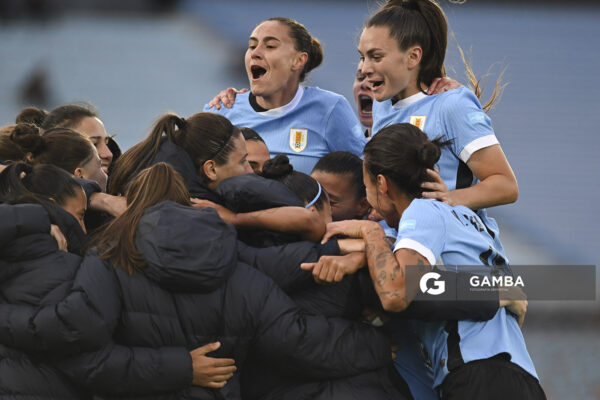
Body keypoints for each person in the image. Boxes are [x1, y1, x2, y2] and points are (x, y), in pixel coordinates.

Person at [312, 123, 543, 399]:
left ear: (382, 184)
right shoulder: (471, 218)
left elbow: (396, 292)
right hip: (522, 377)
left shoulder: (421, 212)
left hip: (477, 377)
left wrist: (370, 233)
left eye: (367, 187)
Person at [360, 0, 518, 254]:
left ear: (413, 56)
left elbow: (506, 185)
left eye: (376, 56)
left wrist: (449, 199)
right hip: (408, 247)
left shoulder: (451, 103)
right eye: (362, 56)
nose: (364, 68)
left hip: (461, 257)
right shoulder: (382, 107)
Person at [110, 111, 325, 242]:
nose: (252, 173)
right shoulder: (205, 219)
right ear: (211, 169)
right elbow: (309, 222)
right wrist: (236, 220)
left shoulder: (150, 189)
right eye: (244, 162)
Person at [205, 17, 367, 174]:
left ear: (298, 60)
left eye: (270, 46)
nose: (255, 53)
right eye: (252, 46)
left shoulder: (330, 108)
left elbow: (363, 174)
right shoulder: (222, 110)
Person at [16, 104, 119, 175]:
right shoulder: (31, 204)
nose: (109, 154)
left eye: (107, 143)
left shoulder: (123, 193)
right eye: (94, 144)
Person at [311, 151, 371, 221]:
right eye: (309, 198)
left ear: (363, 206)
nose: (311, 208)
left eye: (329, 202)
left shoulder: (381, 230)